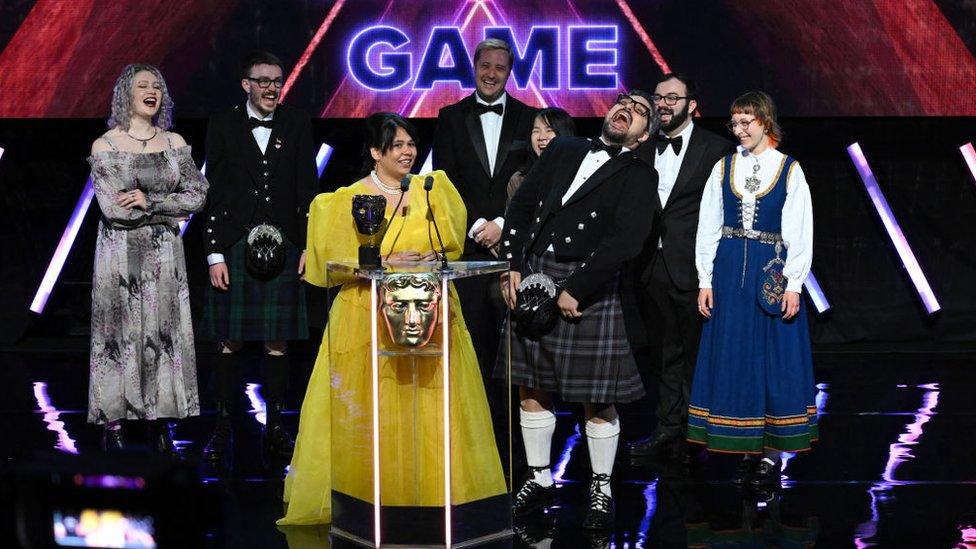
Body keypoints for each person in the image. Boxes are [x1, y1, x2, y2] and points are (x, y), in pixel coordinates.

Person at [278, 113, 506, 527]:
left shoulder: (431, 191)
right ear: (374, 152)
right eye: (397, 145)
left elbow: (449, 249)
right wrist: (385, 261)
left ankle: (434, 497)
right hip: (366, 315)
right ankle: (366, 500)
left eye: (410, 144)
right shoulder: (345, 199)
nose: (407, 152)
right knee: (369, 407)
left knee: (429, 405)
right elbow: (330, 264)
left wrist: (430, 260)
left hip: (429, 313)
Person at [497, 91, 661, 530]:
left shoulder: (640, 174)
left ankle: (601, 489)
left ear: (646, 133)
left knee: (598, 397)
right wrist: (512, 265)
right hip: (534, 273)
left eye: (641, 112)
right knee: (531, 385)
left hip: (587, 283)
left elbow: (627, 241)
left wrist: (578, 289)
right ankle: (539, 478)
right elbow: (522, 205)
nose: (628, 110)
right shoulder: (567, 148)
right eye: (624, 102)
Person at [688, 91, 817, 486]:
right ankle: (744, 445)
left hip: (769, 273)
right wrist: (705, 280)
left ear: (765, 121)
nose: (739, 130)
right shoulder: (723, 168)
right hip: (729, 272)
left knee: (771, 359)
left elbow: (800, 230)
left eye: (747, 122)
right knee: (736, 355)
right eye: (735, 123)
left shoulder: (789, 169)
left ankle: (772, 453)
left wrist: (794, 283)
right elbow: (708, 227)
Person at [199, 51, 319, 463]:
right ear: (245, 84)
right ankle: (223, 426)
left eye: (277, 80)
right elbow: (211, 190)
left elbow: (308, 190)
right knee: (228, 340)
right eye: (263, 80)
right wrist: (214, 252)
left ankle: (275, 429)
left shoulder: (297, 122)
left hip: (284, 244)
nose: (271, 87)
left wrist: (308, 246)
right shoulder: (223, 124)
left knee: (277, 341)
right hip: (233, 242)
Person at [87, 64, 208, 454]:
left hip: (164, 255)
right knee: (118, 335)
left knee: (162, 332)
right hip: (119, 254)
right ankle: (114, 423)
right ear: (127, 94)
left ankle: (160, 421)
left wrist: (150, 201)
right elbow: (114, 209)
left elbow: (197, 195)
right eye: (143, 85)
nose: (151, 91)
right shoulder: (105, 145)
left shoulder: (174, 143)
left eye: (157, 85)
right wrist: (169, 210)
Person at [627, 74, 735, 460]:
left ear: (692, 105)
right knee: (661, 354)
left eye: (673, 97)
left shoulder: (717, 149)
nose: (665, 104)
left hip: (695, 268)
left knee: (696, 353)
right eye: (659, 97)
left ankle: (701, 430)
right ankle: (668, 429)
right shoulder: (639, 147)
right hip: (648, 266)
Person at [432, 38, 536, 380]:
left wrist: (505, 223)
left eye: (500, 68)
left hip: (516, 252)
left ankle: (512, 431)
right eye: (485, 66)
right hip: (469, 251)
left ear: (510, 73)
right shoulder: (449, 117)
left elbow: (534, 182)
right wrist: (479, 225)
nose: (491, 74)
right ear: (474, 67)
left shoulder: (530, 118)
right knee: (472, 345)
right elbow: (447, 181)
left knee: (514, 353)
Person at [506, 107, 576, 201]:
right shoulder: (519, 180)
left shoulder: (580, 175)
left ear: (564, 134)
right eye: (536, 131)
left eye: (549, 130)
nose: (541, 137)